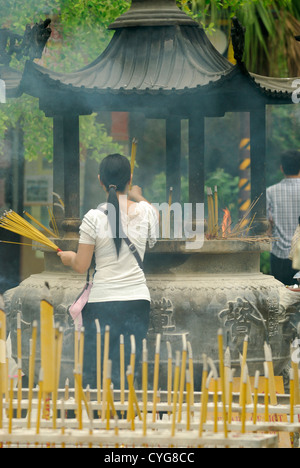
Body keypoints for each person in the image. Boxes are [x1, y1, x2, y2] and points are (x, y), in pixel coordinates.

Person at [58, 153, 159, 388]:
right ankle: (126, 420)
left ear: (100, 181)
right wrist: (138, 195)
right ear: (130, 179)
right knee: (128, 368)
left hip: (103, 302)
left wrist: (69, 257)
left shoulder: (93, 217)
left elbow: (81, 265)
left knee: (97, 370)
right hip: (137, 301)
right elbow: (156, 217)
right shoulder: (144, 212)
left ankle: (100, 420)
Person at [267, 150, 300, 285]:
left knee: (281, 299)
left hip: (279, 256)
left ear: (282, 168)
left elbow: (267, 223)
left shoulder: (270, 192)